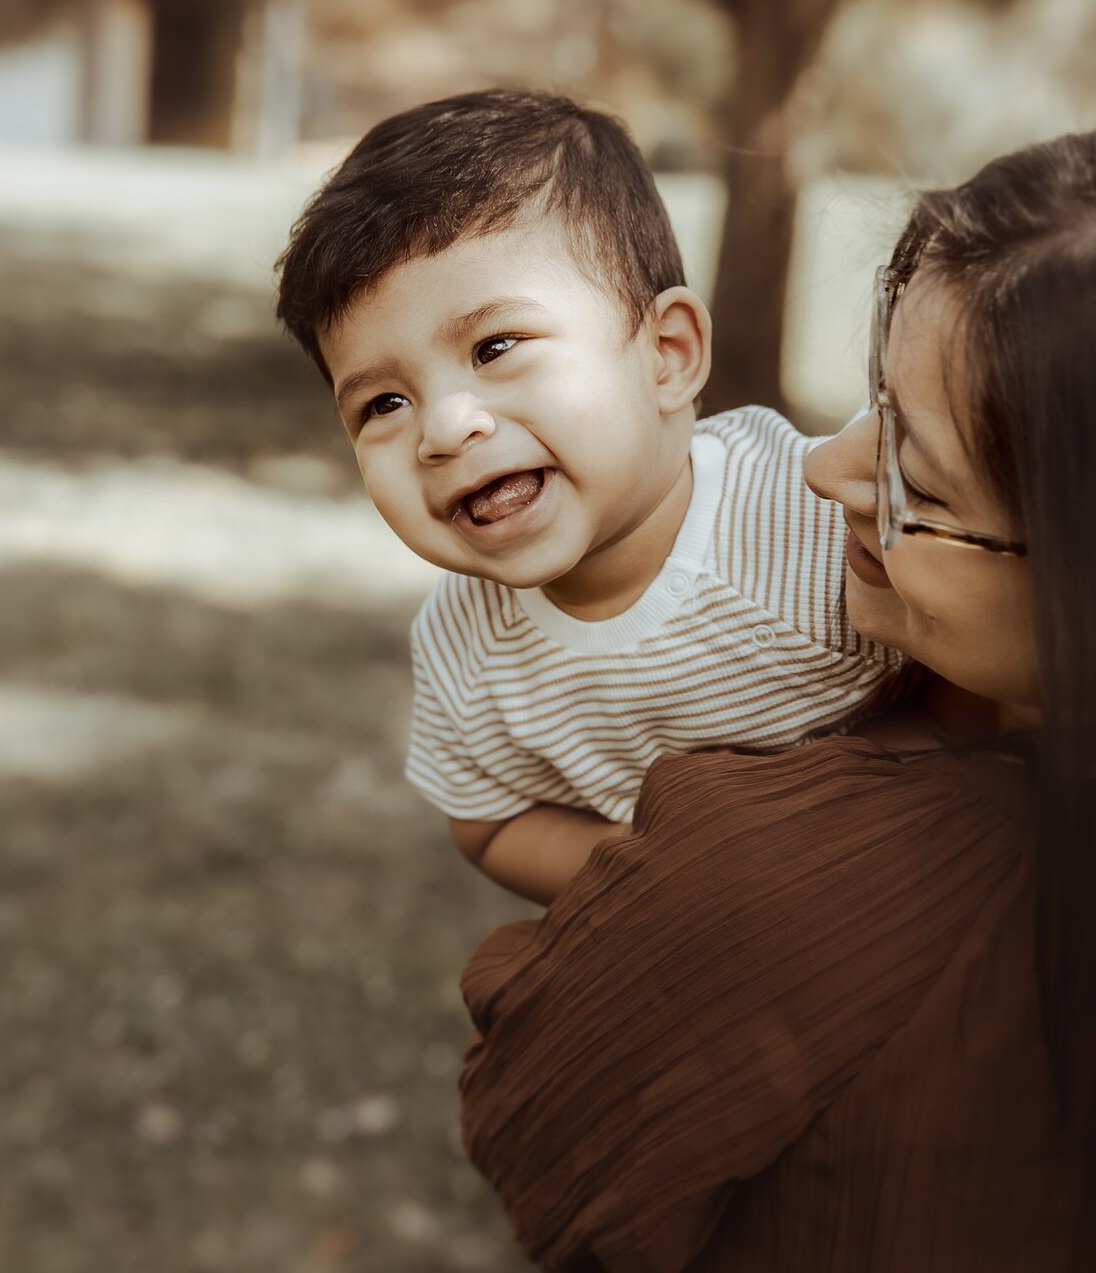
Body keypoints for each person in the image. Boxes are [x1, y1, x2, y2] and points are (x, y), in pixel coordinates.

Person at [457, 130, 1096, 1270]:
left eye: (915, 477)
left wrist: (652, 872)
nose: (825, 467)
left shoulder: (787, 878)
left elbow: (537, 1107)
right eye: (873, 403)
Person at [275, 89, 904, 904]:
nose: (442, 427)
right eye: (382, 405)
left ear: (668, 355)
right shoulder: (465, 647)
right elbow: (489, 822)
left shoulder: (810, 516)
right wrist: (650, 869)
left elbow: (977, 671)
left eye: (496, 346)